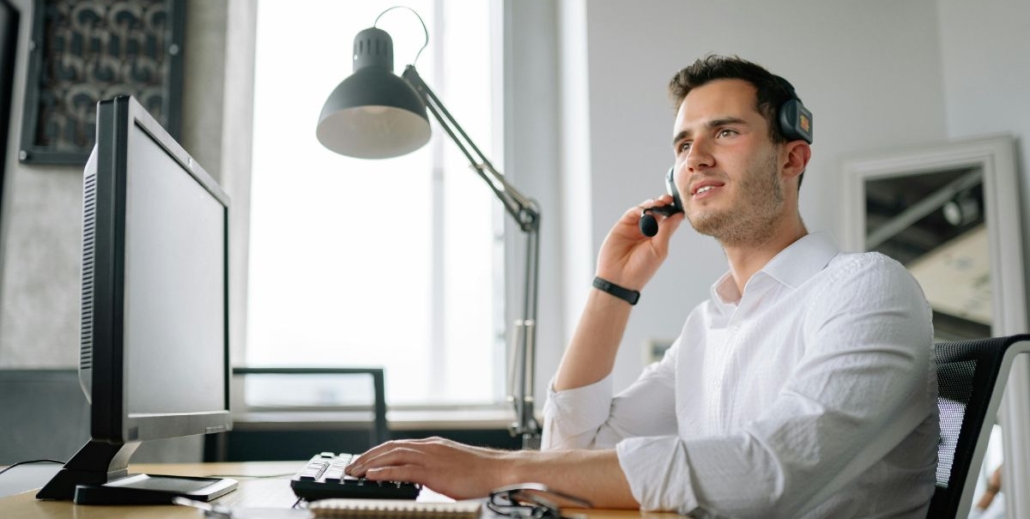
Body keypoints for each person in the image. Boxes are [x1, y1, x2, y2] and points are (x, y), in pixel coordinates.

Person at [346, 55, 939, 518]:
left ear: (792, 158)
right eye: (683, 145)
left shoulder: (866, 288)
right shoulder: (710, 327)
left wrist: (497, 469)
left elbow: (767, 478)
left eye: (725, 133)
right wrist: (612, 287)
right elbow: (572, 451)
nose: (696, 157)